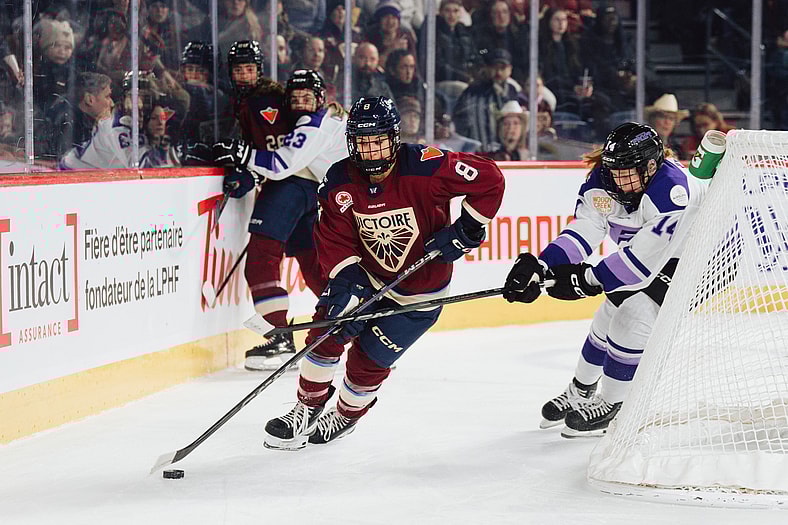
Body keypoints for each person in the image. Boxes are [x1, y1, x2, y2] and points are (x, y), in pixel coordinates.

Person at [262, 96, 505, 449]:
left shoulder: (426, 166)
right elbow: (332, 236)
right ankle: (305, 407)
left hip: (421, 292)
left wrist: (468, 227)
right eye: (363, 142)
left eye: (378, 141)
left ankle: (346, 415)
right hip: (369, 279)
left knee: (367, 363)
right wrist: (347, 279)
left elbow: (490, 179)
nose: (372, 151)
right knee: (326, 333)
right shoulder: (339, 179)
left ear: (393, 138)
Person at [502, 122, 709, 437]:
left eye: (627, 172)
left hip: (699, 257)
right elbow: (585, 229)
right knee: (607, 316)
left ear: (651, 166)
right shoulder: (603, 181)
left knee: (633, 316)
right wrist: (543, 265)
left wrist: (586, 279)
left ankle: (613, 404)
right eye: (614, 170)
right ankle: (581, 390)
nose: (617, 180)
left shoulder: (672, 191)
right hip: (651, 255)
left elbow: (640, 264)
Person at [213, 67, 345, 370]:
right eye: (295, 97)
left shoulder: (312, 125)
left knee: (261, 260)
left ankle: (279, 338)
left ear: (320, 98)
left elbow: (281, 164)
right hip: (314, 192)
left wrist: (243, 156)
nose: (300, 103)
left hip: (292, 188)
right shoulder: (316, 119)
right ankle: (348, 324)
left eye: (306, 97)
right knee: (311, 263)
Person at [645, 93, 688, 159]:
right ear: (652, 119)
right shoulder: (643, 146)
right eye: (662, 117)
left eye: (671, 119)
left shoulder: (677, 149)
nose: (667, 122)